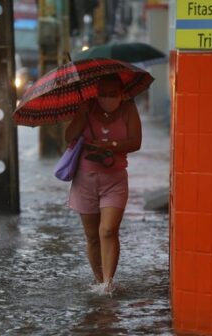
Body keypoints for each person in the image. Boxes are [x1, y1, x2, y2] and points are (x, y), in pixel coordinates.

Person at [65, 74, 142, 295]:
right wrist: (82, 114)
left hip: (115, 179)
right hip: (85, 180)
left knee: (108, 230)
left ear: (121, 94)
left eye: (112, 94)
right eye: (103, 94)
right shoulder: (88, 108)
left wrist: (109, 145)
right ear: (96, 94)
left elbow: (136, 142)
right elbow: (68, 136)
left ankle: (108, 283)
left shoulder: (128, 110)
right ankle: (99, 280)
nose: (107, 99)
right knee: (92, 235)